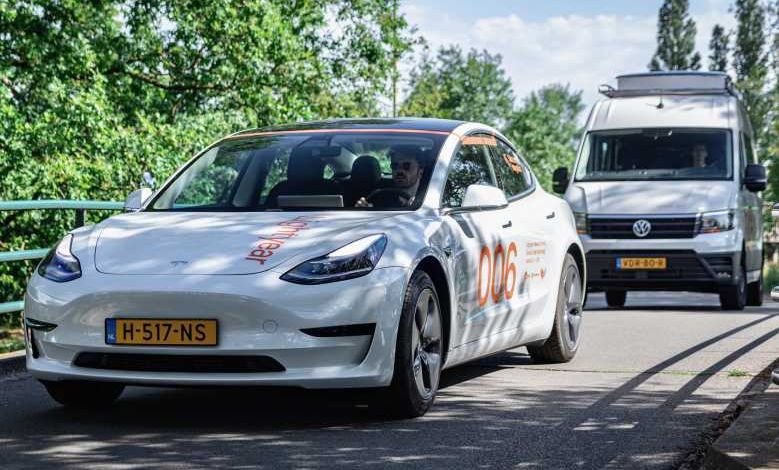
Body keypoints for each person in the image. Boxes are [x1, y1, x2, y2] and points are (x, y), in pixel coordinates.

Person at [355, 145, 425, 208]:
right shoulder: (381, 195)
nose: (399, 170)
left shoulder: (429, 198)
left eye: (406, 166)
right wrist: (363, 209)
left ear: (420, 172)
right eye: (395, 165)